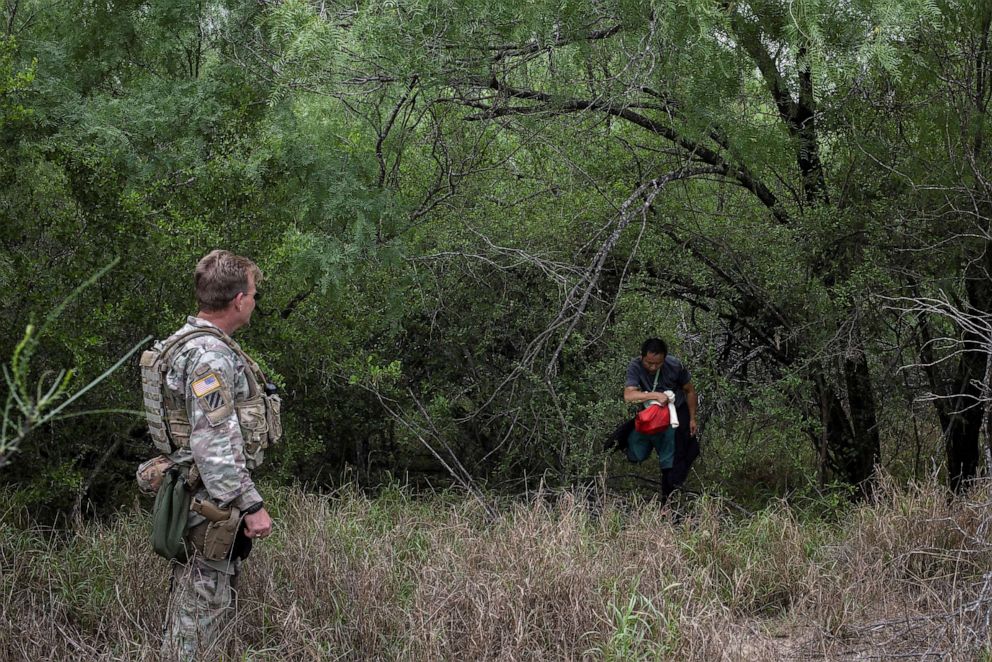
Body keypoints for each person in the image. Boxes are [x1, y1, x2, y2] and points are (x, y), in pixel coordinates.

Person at [149, 250, 280, 660]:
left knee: (199, 601)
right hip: (208, 500)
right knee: (200, 610)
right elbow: (215, 443)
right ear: (239, 300)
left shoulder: (186, 343)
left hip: (197, 493)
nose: (255, 302)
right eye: (254, 294)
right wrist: (250, 503)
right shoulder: (210, 356)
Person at [623, 337, 699, 501]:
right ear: (642, 357)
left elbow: (690, 391)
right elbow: (629, 395)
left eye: (658, 363)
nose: (653, 367)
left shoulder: (675, 366)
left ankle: (668, 499)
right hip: (650, 413)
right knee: (635, 450)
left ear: (665, 359)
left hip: (674, 413)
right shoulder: (635, 366)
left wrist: (692, 418)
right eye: (649, 363)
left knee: (677, 454)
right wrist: (655, 395)